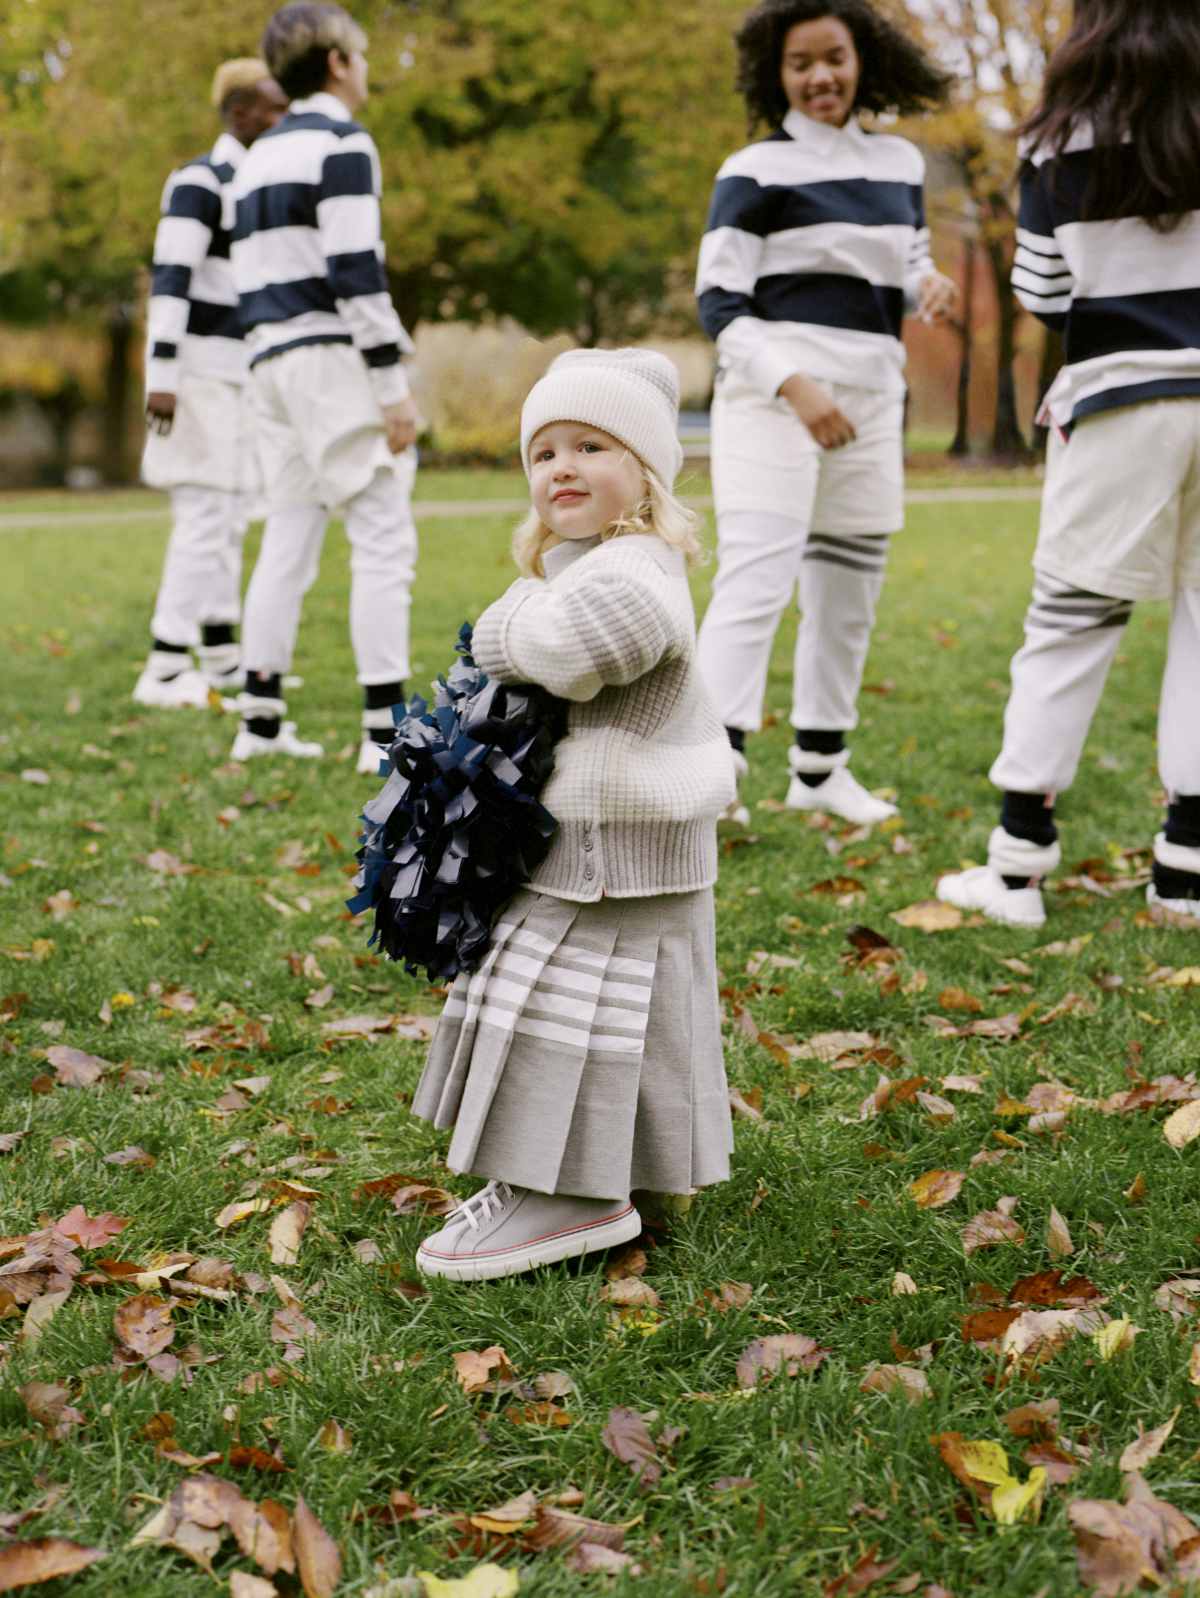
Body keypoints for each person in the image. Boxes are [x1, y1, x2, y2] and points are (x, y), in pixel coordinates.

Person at [411, 349, 737, 1282]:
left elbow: (576, 650)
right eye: (543, 451)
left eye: (591, 445)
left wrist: (502, 624)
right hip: (602, 850)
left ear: (644, 473)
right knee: (589, 1019)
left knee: (574, 1015)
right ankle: (594, 1178)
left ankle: (571, 1197)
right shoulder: (601, 563)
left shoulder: (637, 571)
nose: (561, 466)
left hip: (620, 853)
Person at [936, 0, 1200, 931]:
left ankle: (1015, 868)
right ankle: (1185, 872)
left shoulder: (1061, 134)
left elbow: (1043, 289)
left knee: (1071, 625)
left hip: (1124, 398)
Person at [695, 0, 956, 827]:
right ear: (775, 75)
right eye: (801, 63)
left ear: (862, 60)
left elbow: (906, 256)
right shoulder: (753, 169)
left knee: (848, 590)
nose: (820, 77)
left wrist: (930, 283)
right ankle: (711, 775)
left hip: (875, 396)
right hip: (775, 398)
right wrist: (795, 386)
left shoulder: (900, 164)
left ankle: (819, 770)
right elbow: (719, 303)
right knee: (757, 581)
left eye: (834, 58)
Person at [228, 2, 420, 770]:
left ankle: (261, 720)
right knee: (382, 538)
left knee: (290, 534)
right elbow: (355, 271)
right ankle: (383, 734)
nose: (365, 67)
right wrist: (390, 380)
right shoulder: (343, 144)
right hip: (328, 356)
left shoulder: (256, 159)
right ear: (338, 61)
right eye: (362, 55)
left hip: (265, 360)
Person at [134, 60, 288, 710]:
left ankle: (221, 655)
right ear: (240, 111)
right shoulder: (200, 180)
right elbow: (171, 277)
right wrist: (161, 374)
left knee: (228, 515)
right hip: (196, 371)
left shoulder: (255, 184)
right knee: (202, 514)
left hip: (239, 373)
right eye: (274, 107)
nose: (285, 118)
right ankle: (166, 666)